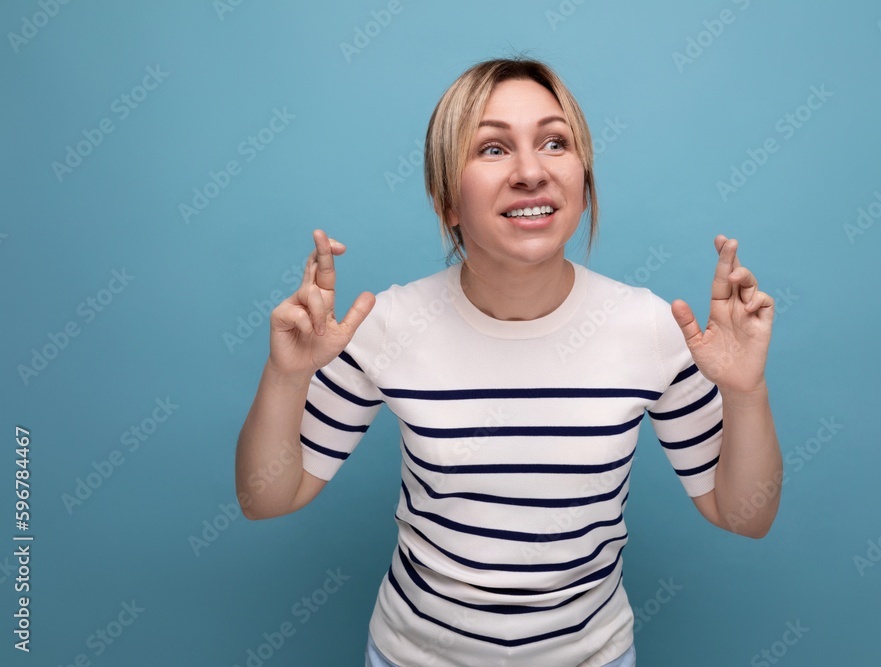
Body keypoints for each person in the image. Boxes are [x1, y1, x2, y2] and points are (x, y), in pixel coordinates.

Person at [236, 58, 782, 667]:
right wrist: (286, 376)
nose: (531, 172)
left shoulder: (652, 328)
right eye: (492, 149)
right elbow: (267, 499)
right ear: (447, 200)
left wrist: (746, 391)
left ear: (584, 183)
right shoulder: (386, 324)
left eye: (555, 143)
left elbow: (744, 516)